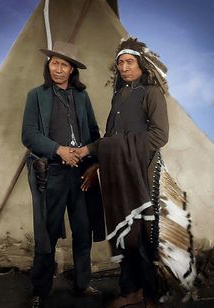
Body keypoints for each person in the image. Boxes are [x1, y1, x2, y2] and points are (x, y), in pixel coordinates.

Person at [78, 37, 169, 308]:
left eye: (130, 62)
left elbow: (159, 136)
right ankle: (130, 291)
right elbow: (109, 138)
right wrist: (89, 155)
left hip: (141, 170)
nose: (124, 67)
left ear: (141, 64)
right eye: (120, 63)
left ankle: (152, 296)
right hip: (118, 170)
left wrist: (123, 151)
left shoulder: (151, 93)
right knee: (124, 234)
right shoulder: (118, 96)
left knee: (143, 233)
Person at [22, 41, 105, 308]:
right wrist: (59, 150)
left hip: (80, 173)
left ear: (71, 70)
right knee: (46, 233)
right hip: (52, 174)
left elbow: (95, 134)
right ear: (49, 65)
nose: (58, 68)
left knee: (83, 230)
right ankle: (40, 289)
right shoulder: (36, 95)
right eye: (55, 63)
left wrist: (85, 154)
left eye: (64, 64)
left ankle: (82, 284)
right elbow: (29, 135)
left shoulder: (82, 97)